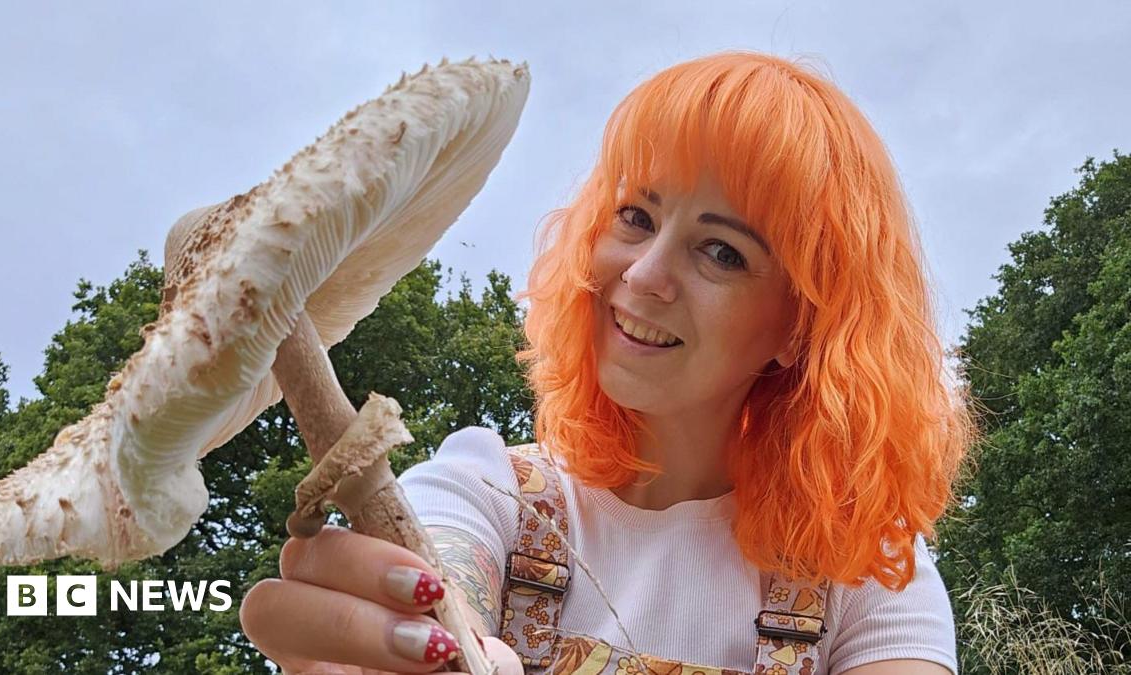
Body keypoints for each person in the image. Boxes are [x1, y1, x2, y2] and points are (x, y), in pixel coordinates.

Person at [239, 50, 977, 675]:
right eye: (636, 216)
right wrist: (418, 628)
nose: (646, 274)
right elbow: (446, 564)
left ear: (801, 325)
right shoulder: (490, 489)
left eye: (722, 251)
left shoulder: (866, 575)